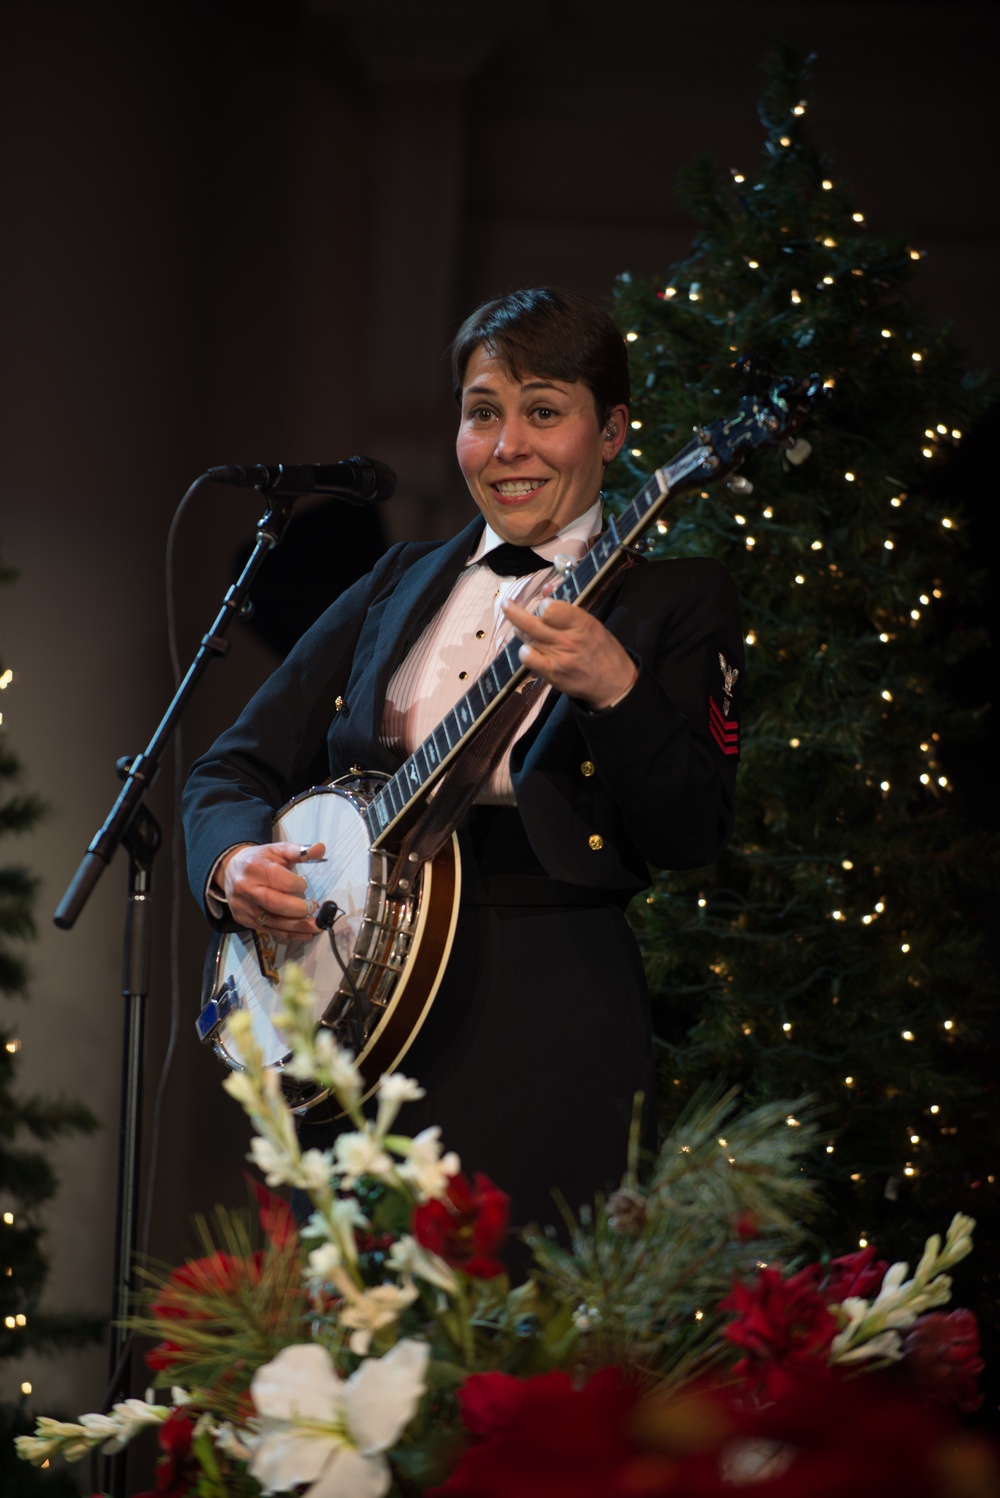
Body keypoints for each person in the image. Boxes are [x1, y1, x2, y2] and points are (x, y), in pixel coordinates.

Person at [183, 286, 743, 1246]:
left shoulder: (673, 601)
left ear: (610, 433)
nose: (508, 445)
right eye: (484, 413)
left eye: (544, 411)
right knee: (353, 1335)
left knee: (518, 1349)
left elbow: (696, 829)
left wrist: (618, 691)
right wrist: (233, 867)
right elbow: (228, 771)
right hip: (355, 1011)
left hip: (547, 1008)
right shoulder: (396, 581)